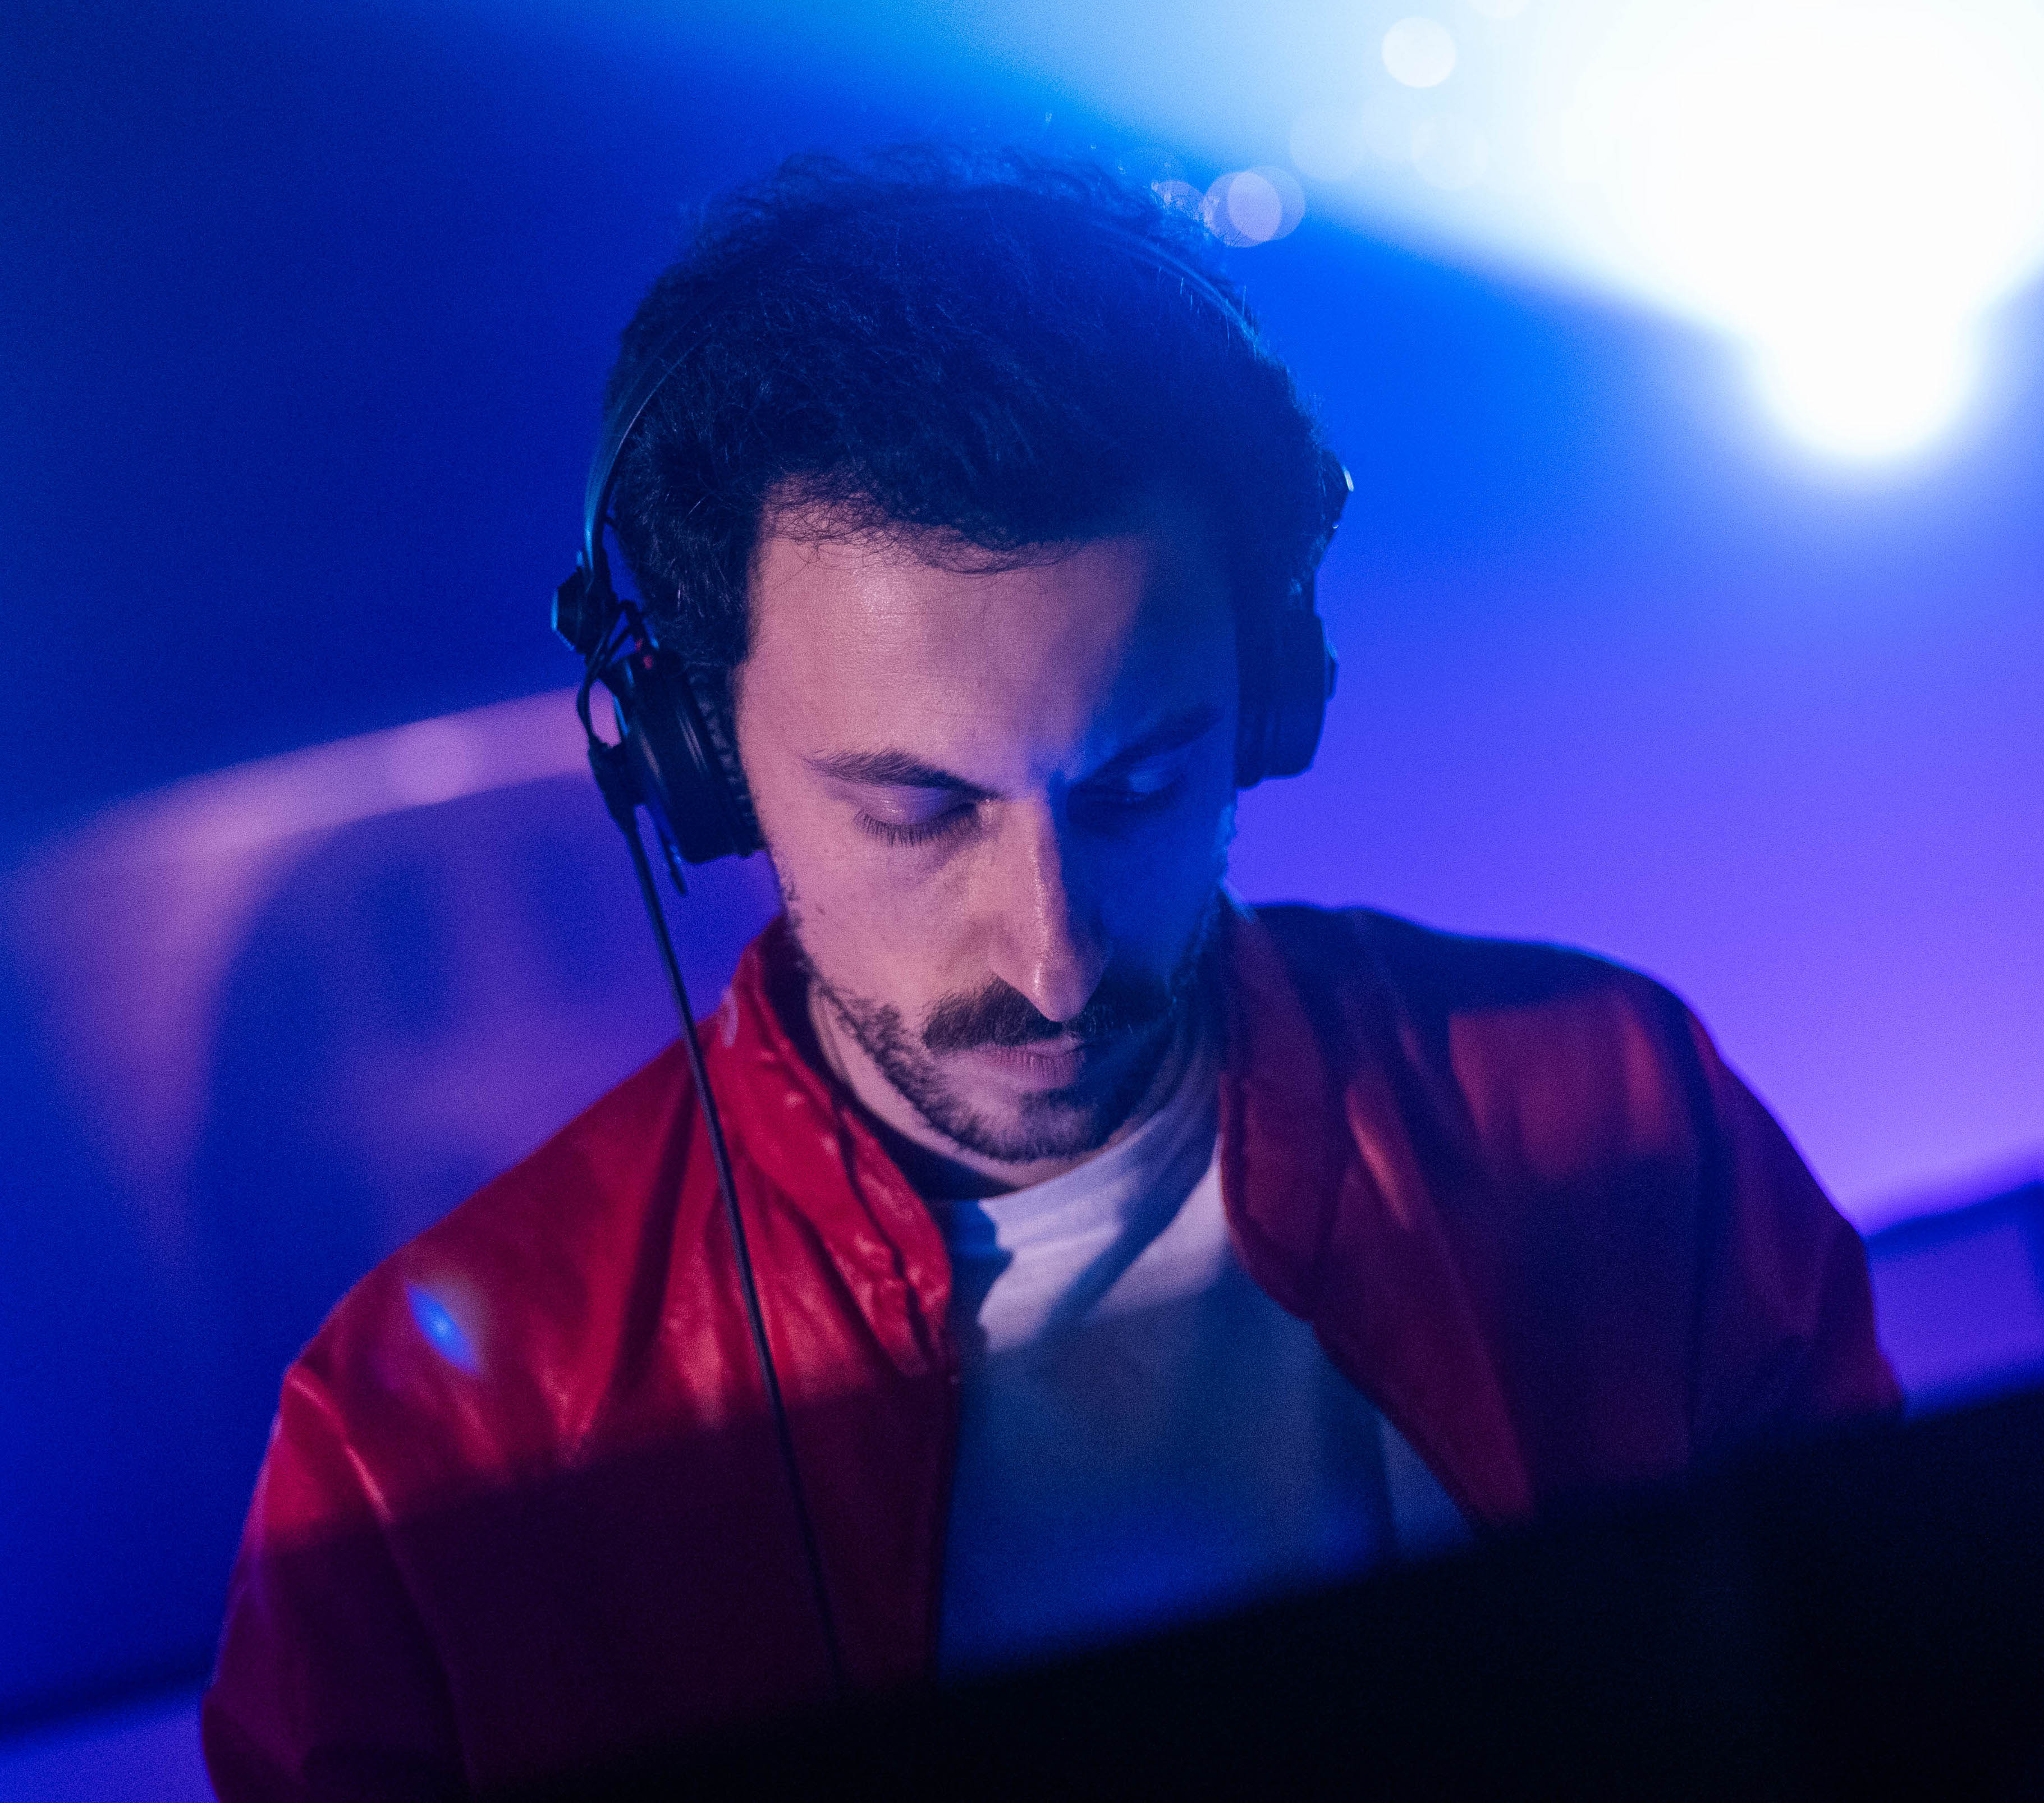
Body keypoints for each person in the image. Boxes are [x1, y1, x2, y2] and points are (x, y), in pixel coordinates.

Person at [202, 149, 1899, 1800]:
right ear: (698, 762)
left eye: (1140, 786)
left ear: (1271, 696)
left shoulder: (1614, 1110)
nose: (1057, 958)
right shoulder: (420, 1450)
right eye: (917, 811)